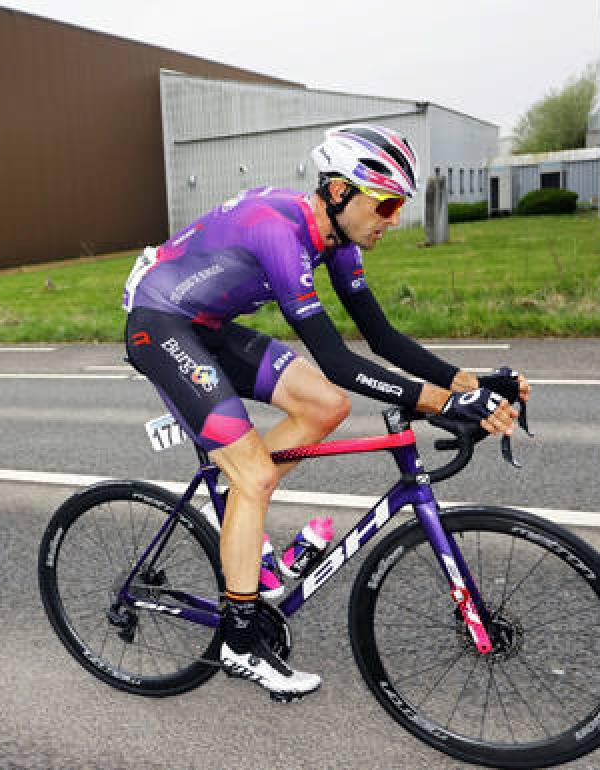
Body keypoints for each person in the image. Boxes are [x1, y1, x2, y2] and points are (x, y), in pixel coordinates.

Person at [122, 124, 530, 700]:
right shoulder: (280, 232)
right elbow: (337, 358)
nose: (392, 219)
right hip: (158, 323)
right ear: (338, 192)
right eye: (385, 204)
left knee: (326, 408)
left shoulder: (337, 243)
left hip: (206, 327)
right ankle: (239, 643)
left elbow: (382, 339)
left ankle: (239, 505)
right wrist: (442, 402)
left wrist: (471, 383)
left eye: (399, 206)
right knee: (258, 472)